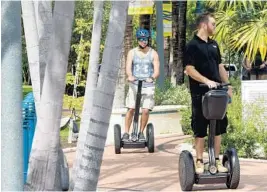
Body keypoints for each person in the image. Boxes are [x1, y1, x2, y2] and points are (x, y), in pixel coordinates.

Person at [184, 12, 232, 174]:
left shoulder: (214, 45)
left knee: (218, 127)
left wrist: (227, 85)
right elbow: (189, 69)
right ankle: (199, 161)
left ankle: (217, 161)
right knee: (200, 128)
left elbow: (219, 66)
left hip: (217, 93)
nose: (215, 27)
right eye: (213, 24)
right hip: (200, 93)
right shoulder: (192, 45)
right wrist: (206, 81)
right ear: (204, 25)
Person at [122, 28, 160, 141]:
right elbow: (128, 67)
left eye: (145, 39)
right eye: (141, 39)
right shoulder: (132, 52)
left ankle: (141, 132)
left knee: (145, 110)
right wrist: (130, 76)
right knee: (131, 109)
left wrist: (152, 77)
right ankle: (126, 133)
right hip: (134, 84)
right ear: (138, 40)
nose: (144, 41)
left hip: (148, 85)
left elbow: (157, 70)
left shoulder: (153, 53)